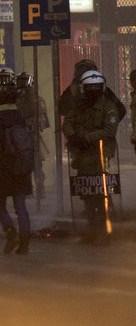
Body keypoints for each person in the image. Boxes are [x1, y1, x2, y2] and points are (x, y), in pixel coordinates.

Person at [62, 70, 120, 245]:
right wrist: (74, 137)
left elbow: (109, 131)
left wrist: (86, 138)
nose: (93, 92)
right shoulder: (78, 106)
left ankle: (105, 232)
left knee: (101, 196)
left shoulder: (109, 107)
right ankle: (92, 231)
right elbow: (67, 124)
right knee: (87, 196)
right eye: (89, 88)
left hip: (101, 156)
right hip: (82, 156)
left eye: (96, 88)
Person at [0, 86, 33, 254]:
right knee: (20, 206)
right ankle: (25, 240)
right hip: (21, 167)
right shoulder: (21, 117)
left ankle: (10, 231)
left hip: (1, 168)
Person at [15, 71, 50, 193]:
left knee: (36, 163)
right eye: (21, 81)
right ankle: (28, 188)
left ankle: (40, 187)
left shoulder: (36, 100)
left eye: (25, 81)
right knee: (25, 163)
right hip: (21, 136)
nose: (23, 84)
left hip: (32, 136)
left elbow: (43, 121)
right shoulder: (16, 100)